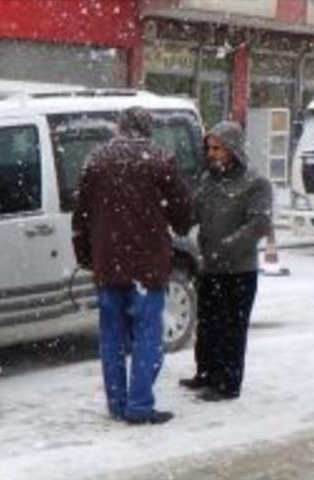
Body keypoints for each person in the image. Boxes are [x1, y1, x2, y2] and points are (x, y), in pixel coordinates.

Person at [72, 106, 193, 425]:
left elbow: (80, 216)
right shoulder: (160, 160)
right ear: (147, 129)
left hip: (107, 266)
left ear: (120, 128)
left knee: (111, 338)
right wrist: (179, 224)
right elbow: (182, 214)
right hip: (147, 267)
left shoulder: (95, 161)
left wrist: (86, 255)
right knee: (146, 336)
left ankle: (116, 403)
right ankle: (139, 405)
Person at [179, 121, 273, 402]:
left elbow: (259, 223)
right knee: (207, 323)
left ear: (233, 149)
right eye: (209, 148)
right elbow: (193, 213)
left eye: (218, 148)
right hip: (210, 267)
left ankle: (228, 383)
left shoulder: (256, 183)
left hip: (239, 271)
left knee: (231, 327)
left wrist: (228, 247)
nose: (212, 153)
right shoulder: (209, 180)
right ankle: (205, 373)